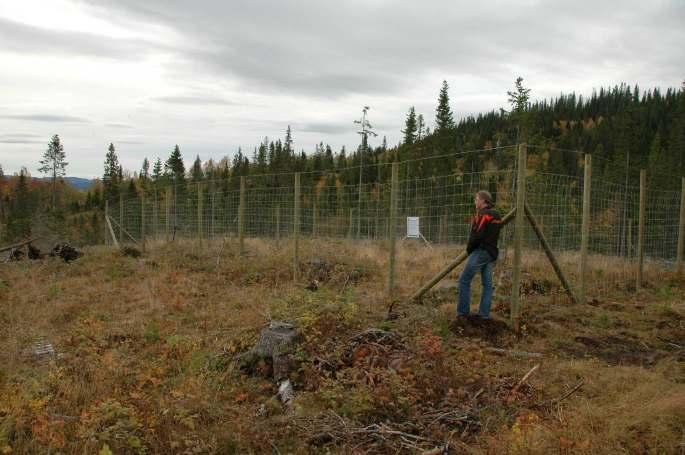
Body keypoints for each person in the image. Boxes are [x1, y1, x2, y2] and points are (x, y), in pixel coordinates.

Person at [457, 190, 502, 319]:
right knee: (487, 284)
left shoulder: (482, 215)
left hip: (481, 251)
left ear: (483, 201)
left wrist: (468, 249)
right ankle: (484, 315)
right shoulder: (497, 215)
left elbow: (477, 235)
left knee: (464, 280)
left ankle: (462, 313)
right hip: (492, 253)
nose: (475, 202)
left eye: (476, 199)